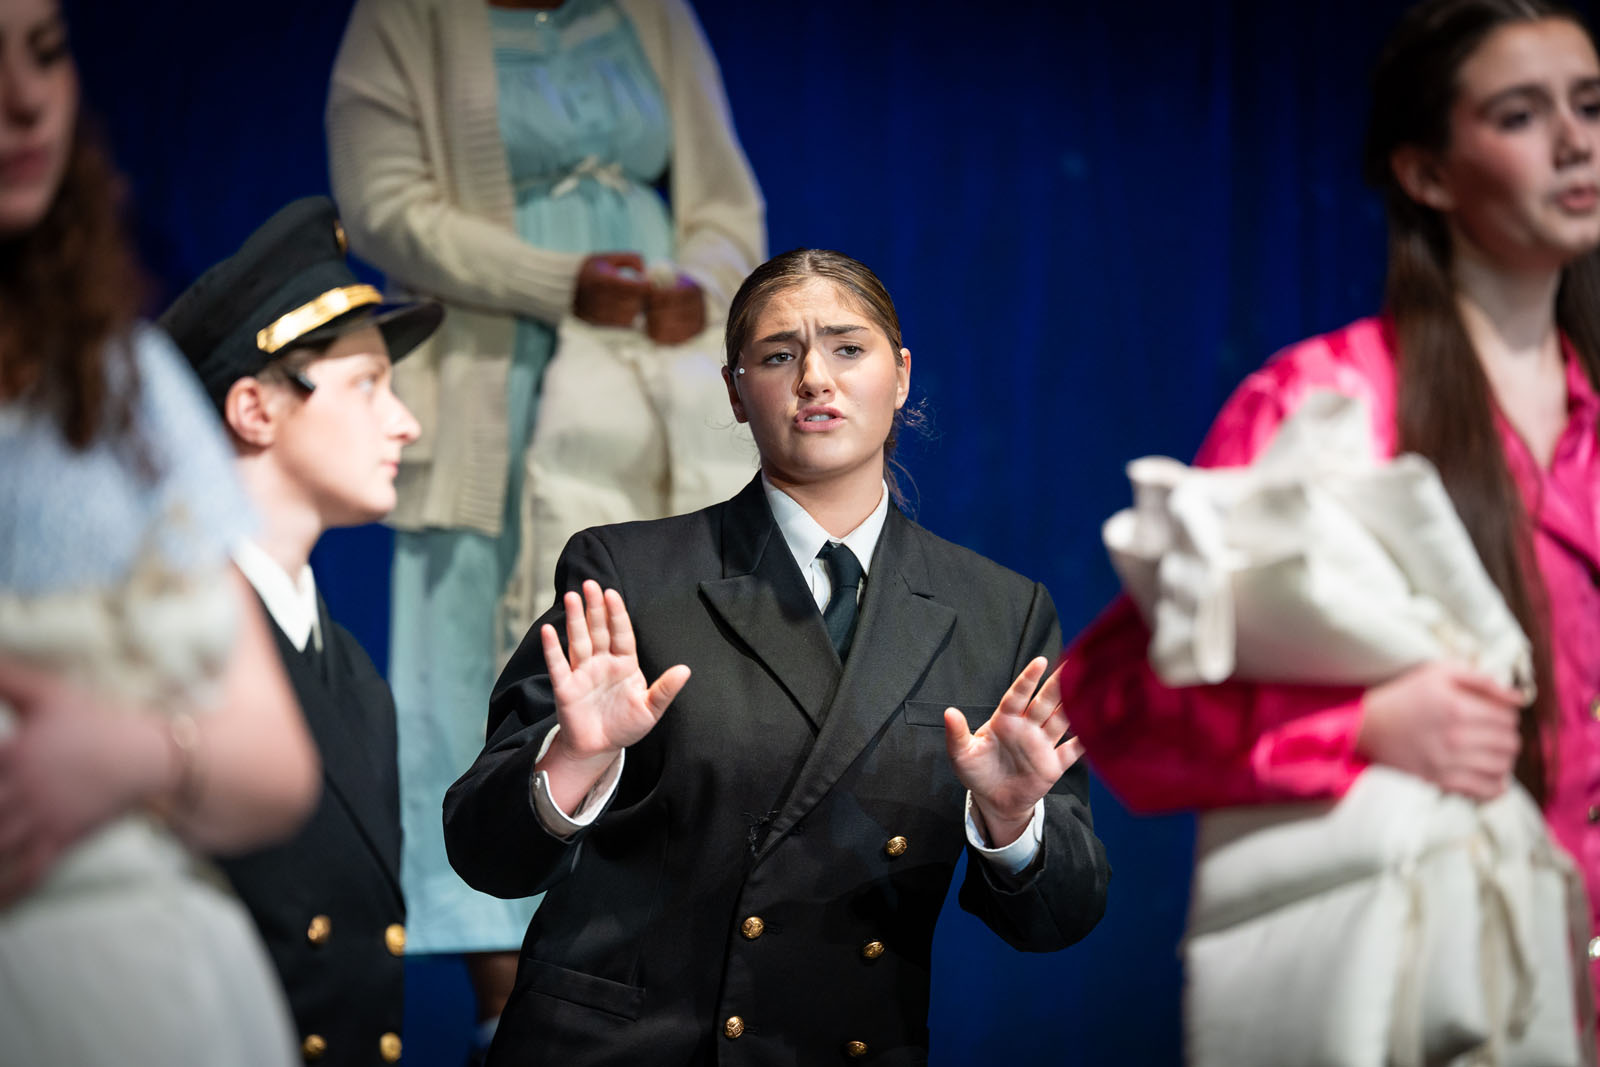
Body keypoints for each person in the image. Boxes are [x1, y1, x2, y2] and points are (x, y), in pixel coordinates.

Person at [1061, 0, 1600, 1015]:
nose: (1575, 142)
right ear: (1425, 172)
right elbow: (1121, 697)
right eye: (1522, 115)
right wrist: (1359, 726)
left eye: (1591, 104)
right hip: (1458, 992)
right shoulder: (1326, 405)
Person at [442, 248, 1111, 1065]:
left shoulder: (1000, 612)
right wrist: (575, 758)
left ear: (901, 375)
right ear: (734, 390)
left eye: (848, 348)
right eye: (778, 356)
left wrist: (1011, 823)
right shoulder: (627, 573)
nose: (815, 379)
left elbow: (1060, 917)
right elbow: (485, 853)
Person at [324, 0, 766, 1038]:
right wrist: (557, 282)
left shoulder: (649, 12)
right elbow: (383, 205)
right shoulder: (408, 16)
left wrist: (699, 286)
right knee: (486, 698)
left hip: (643, 403)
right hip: (489, 398)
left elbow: (726, 202)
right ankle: (510, 1025)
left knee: (661, 681)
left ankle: (664, 1007)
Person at [0, 0, 321, 1062]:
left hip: (150, 975)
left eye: (46, 52)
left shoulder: (123, 386)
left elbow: (274, 763)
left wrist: (131, 750)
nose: (25, 99)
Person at [158, 195, 442, 1067]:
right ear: (255, 409)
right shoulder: (161, 645)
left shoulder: (352, 675)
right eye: (367, 385)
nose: (406, 422)